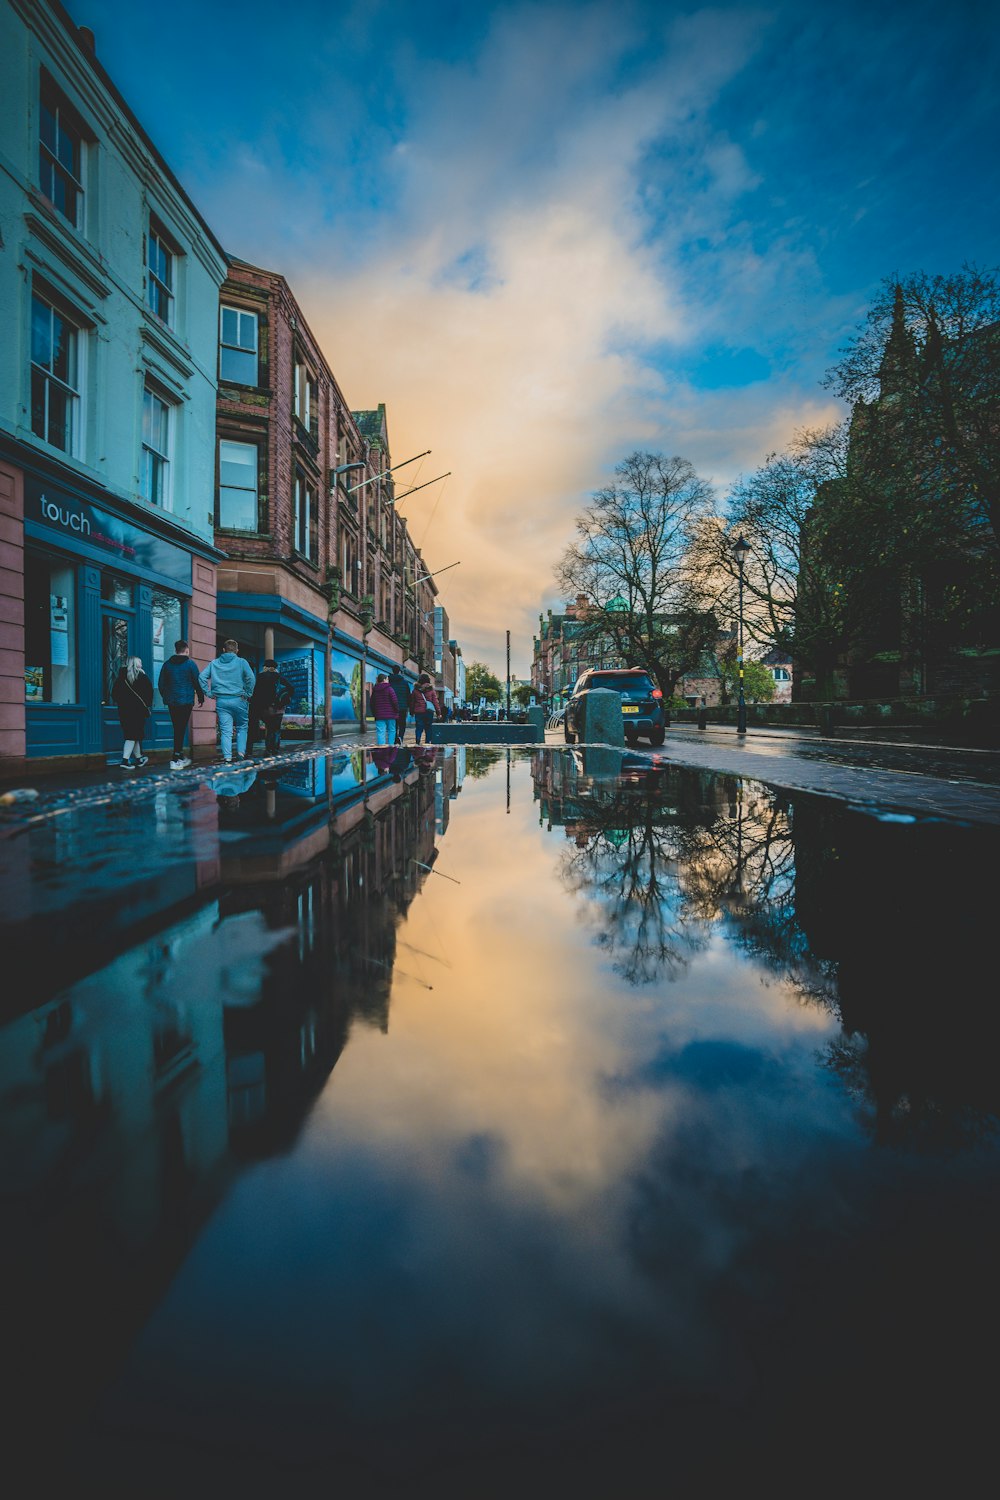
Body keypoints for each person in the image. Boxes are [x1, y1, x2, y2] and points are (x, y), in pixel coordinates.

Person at [198, 638, 255, 763]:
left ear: (223, 650)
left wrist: (208, 693)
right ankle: (240, 753)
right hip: (239, 699)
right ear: (237, 651)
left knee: (226, 731)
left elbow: (202, 677)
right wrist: (248, 693)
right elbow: (251, 678)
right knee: (242, 727)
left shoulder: (214, 663)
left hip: (221, 701)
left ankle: (227, 758)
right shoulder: (241, 662)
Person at [157, 638, 205, 770]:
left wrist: (166, 696)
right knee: (180, 728)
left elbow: (161, 684)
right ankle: (175, 758)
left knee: (177, 728)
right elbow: (197, 682)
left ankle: (180, 756)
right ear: (187, 650)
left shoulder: (167, 664)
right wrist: (201, 697)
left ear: (175, 651)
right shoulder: (190, 664)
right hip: (186, 701)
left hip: (172, 702)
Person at [112, 655, 153, 768]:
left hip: (124, 712)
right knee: (132, 736)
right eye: (140, 662)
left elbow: (114, 694)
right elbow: (149, 694)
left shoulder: (121, 678)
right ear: (135, 664)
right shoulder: (142, 677)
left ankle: (139, 759)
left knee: (134, 735)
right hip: (137, 712)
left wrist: (124, 703)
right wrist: (146, 705)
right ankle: (124, 761)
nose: (142, 664)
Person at [248, 659, 294, 755]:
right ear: (275, 668)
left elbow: (255, 693)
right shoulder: (279, 677)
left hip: (264, 709)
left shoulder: (260, 677)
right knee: (275, 730)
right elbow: (291, 688)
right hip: (278, 708)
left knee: (268, 728)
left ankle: (267, 751)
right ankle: (274, 750)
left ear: (265, 667)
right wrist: (283, 701)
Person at [370, 672, 400, 746]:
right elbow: (395, 701)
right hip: (391, 715)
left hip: (379, 715)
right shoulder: (390, 689)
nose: (388, 681)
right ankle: (391, 746)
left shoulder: (375, 690)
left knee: (380, 731)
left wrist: (374, 713)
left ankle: (381, 747)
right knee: (392, 730)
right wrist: (396, 711)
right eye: (387, 679)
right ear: (384, 680)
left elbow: (372, 703)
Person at [410, 672, 439, 745]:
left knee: (419, 728)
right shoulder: (431, 690)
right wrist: (438, 712)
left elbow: (412, 702)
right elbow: (435, 702)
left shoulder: (415, 690)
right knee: (428, 728)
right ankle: (428, 742)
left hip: (418, 712)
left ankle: (417, 741)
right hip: (429, 712)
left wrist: (412, 712)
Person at [387, 666, 411, 745]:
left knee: (394, 724)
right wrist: (408, 707)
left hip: (392, 707)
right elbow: (408, 696)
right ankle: (400, 738)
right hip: (403, 708)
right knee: (402, 724)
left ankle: (394, 738)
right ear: (399, 672)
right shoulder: (404, 683)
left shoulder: (389, 682)